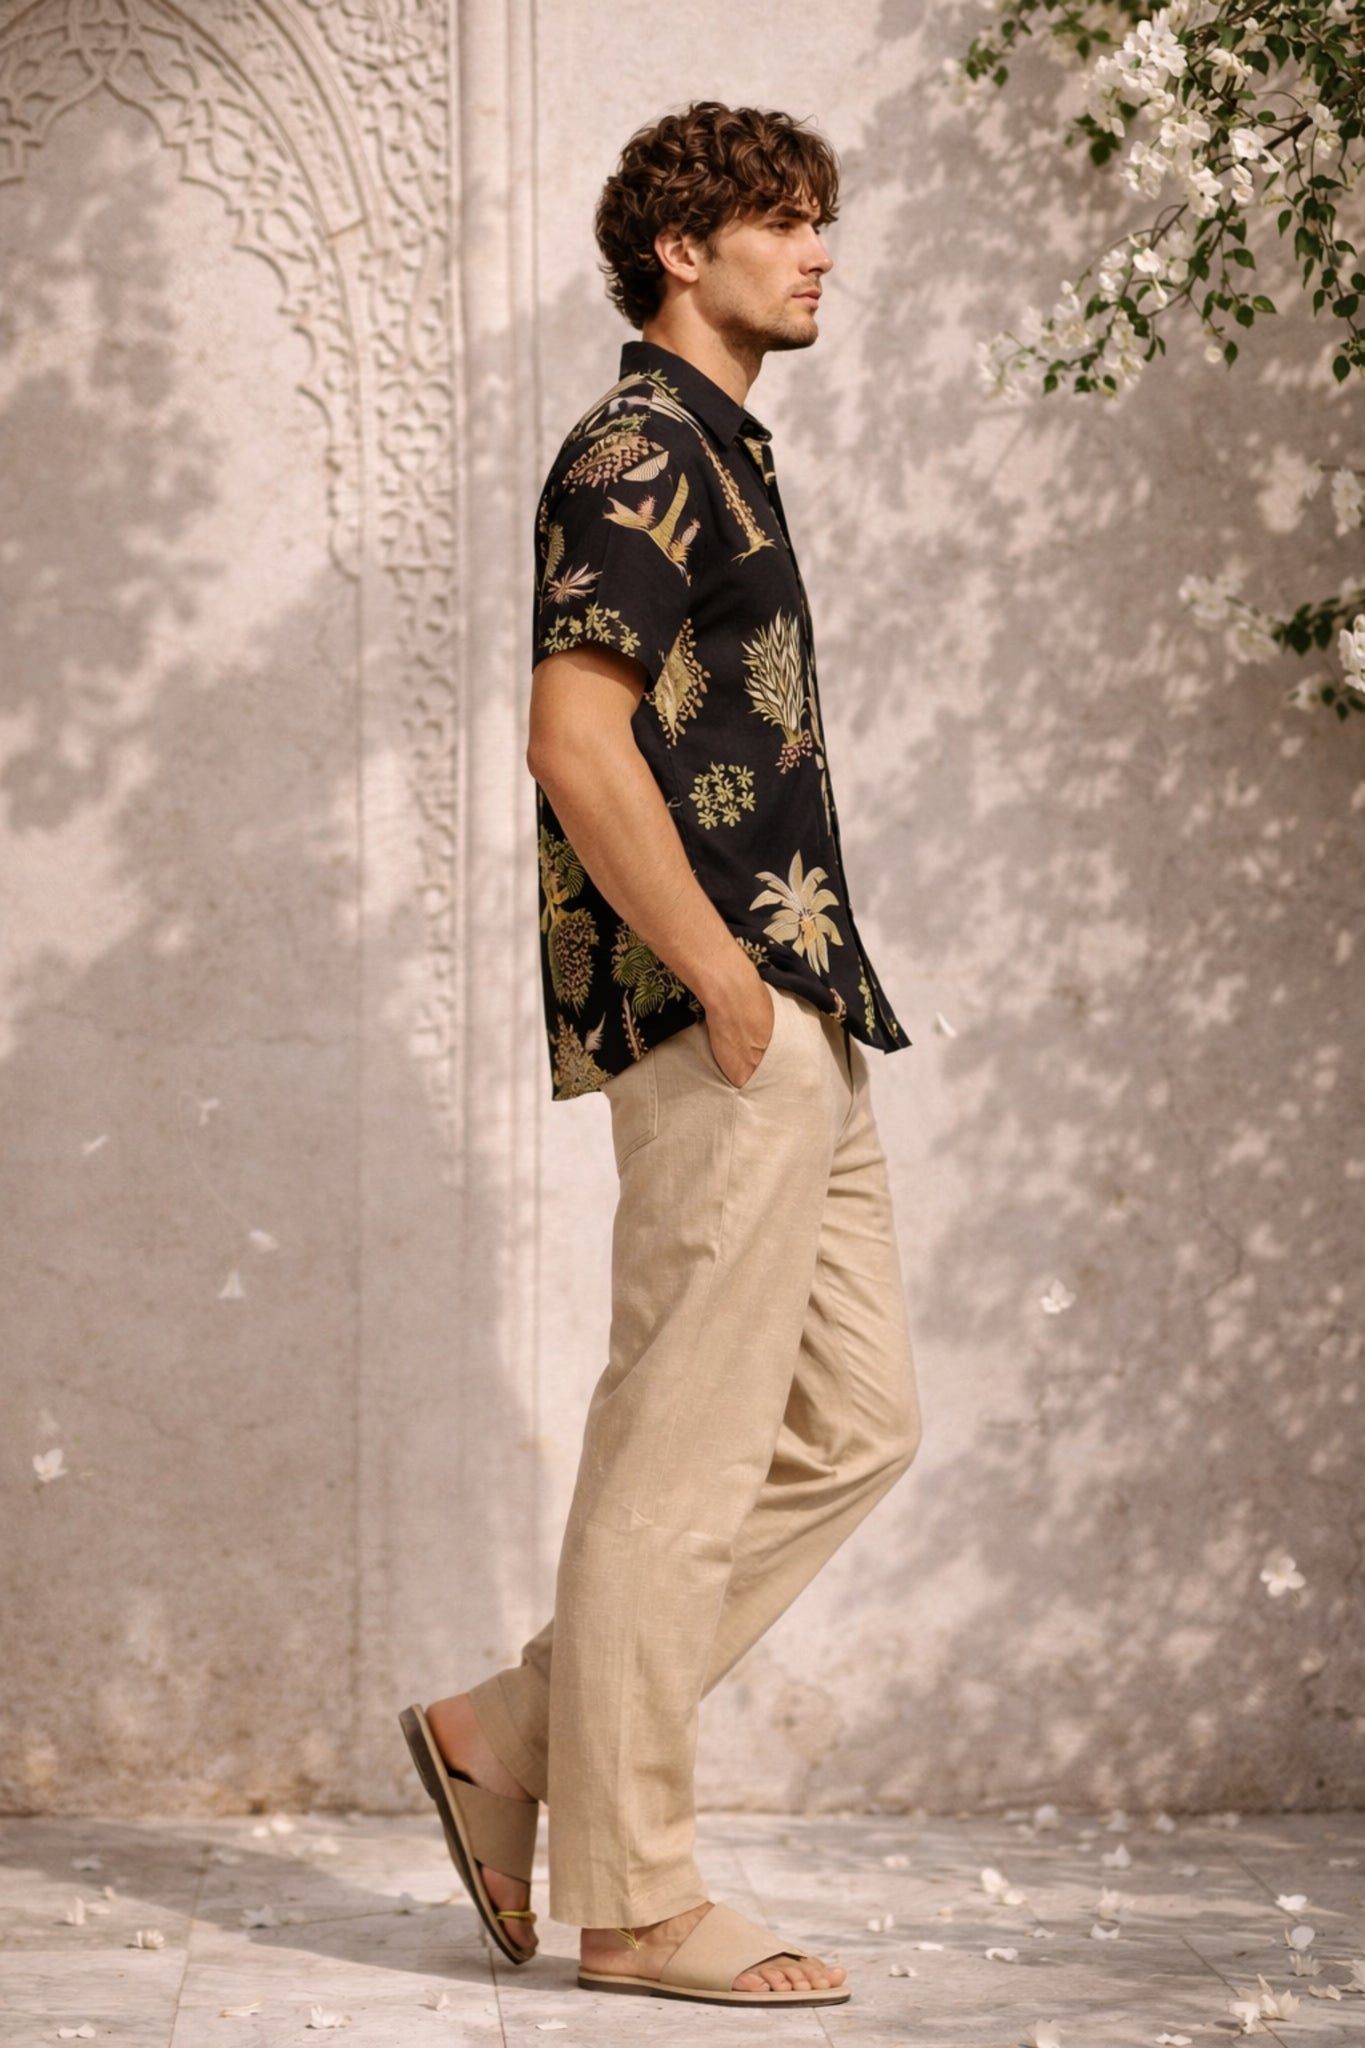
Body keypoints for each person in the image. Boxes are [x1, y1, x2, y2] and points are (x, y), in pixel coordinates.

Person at [401, 99, 922, 2011]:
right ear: (679, 252)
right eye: (781, 220)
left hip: (794, 1002)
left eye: (822, 218)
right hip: (721, 1008)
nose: (819, 249)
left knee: (858, 1426)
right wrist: (716, 974)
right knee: (676, 1458)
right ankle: (632, 1903)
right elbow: (573, 733)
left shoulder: (720, 452)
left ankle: (512, 1733)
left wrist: (780, 993)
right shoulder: (637, 451)